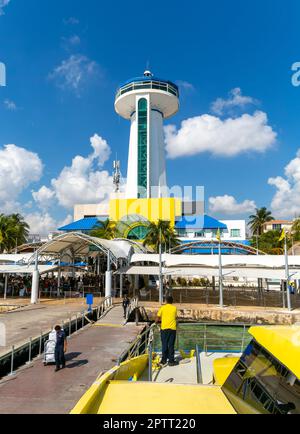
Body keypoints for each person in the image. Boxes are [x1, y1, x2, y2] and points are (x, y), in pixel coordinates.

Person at [156, 296, 178, 367]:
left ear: (166, 301)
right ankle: (171, 361)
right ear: (172, 301)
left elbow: (158, 317)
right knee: (171, 345)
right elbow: (175, 317)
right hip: (172, 329)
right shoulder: (174, 308)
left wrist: (156, 322)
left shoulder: (162, 308)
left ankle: (163, 360)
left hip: (164, 329)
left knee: (164, 344)